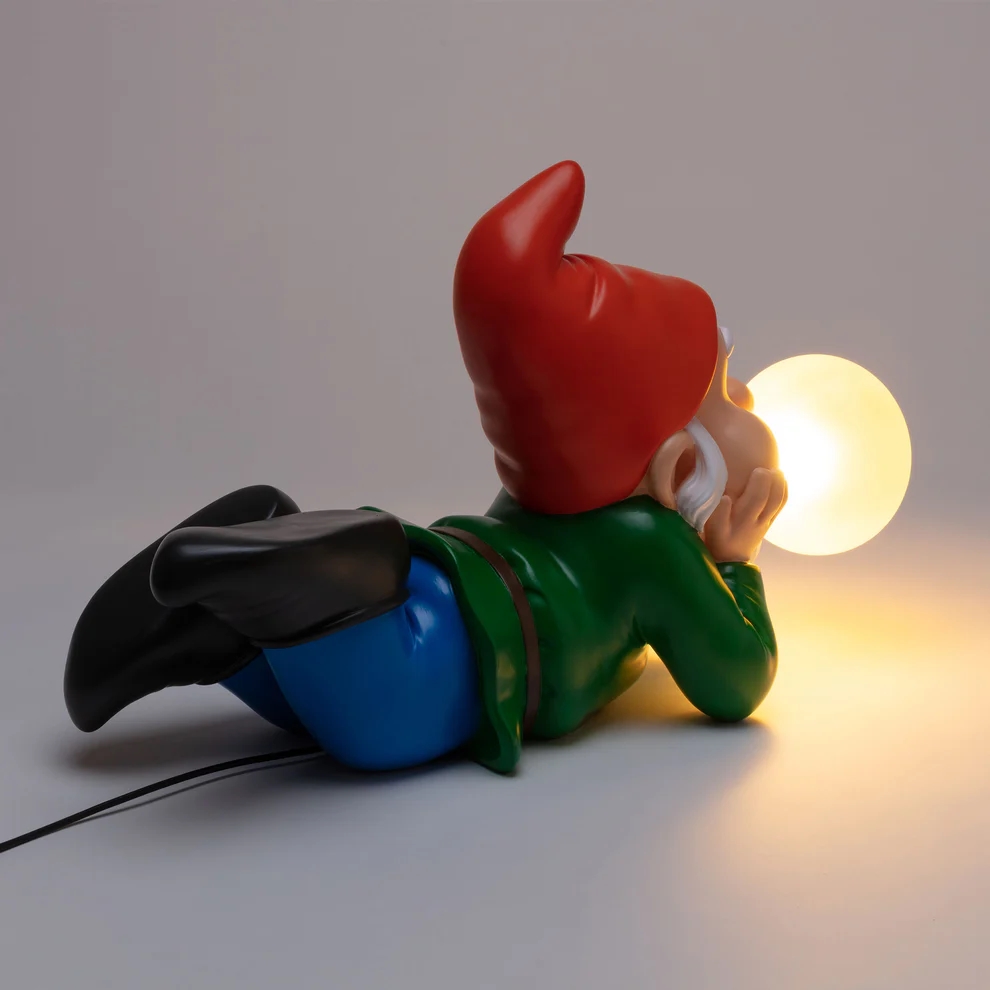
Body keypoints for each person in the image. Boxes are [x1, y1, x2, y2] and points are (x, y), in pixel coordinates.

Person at [64, 161, 787, 775]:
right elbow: (738, 681)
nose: (748, 393)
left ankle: (237, 609)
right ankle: (295, 582)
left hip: (422, 592)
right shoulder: (650, 542)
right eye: (725, 390)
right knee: (356, 642)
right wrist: (736, 564)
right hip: (416, 689)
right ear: (679, 468)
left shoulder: (534, 499)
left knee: (315, 640)